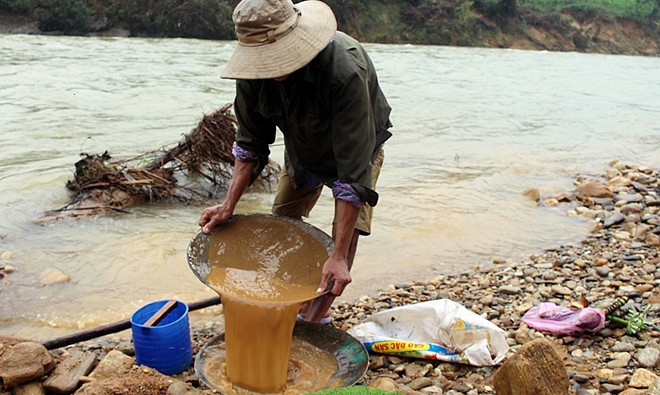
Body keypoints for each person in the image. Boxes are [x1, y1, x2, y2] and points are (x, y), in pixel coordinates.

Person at [198, 0, 392, 323]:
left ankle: (314, 316)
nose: (272, 66)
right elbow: (250, 145)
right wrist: (228, 204)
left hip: (360, 149)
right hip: (304, 148)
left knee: (344, 236)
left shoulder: (344, 71)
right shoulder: (252, 76)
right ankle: (291, 298)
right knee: (283, 218)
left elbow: (353, 178)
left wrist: (339, 255)